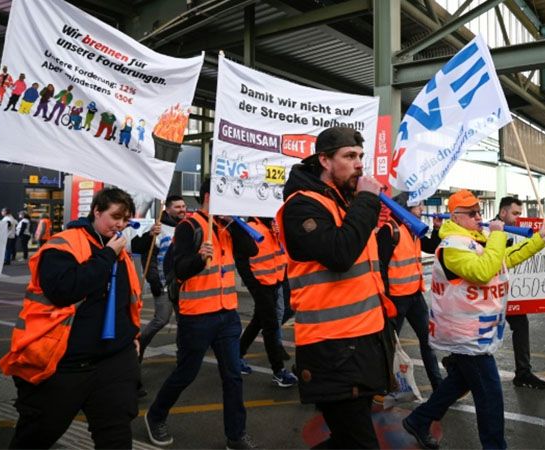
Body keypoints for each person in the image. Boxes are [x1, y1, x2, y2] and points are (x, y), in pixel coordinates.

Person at [402, 189, 545, 450]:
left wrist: (538, 241)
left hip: (476, 332)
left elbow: (502, 261)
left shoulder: (474, 239)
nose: (478, 217)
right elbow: (483, 272)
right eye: (471, 213)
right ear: (456, 216)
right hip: (465, 335)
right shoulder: (452, 245)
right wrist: (496, 235)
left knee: (459, 382)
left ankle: (419, 420)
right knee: (490, 396)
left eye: (478, 212)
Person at [0, 188, 143, 449]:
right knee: (36, 435)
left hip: (114, 362)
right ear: (97, 212)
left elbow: (126, 300)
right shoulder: (63, 244)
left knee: (116, 436)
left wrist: (133, 335)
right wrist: (107, 255)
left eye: (126, 219)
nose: (121, 224)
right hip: (65, 365)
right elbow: (64, 290)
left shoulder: (119, 249)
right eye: (115, 217)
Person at [277, 126, 393, 449]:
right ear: (325, 160)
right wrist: (367, 203)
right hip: (332, 350)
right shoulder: (302, 205)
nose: (358, 164)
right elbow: (339, 254)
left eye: (360, 156)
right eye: (349, 156)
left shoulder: (345, 201)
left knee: (348, 440)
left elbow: (362, 266)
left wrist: (382, 231)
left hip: (362, 343)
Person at [145, 178, 258, 449]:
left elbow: (252, 249)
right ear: (210, 195)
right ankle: (155, 415)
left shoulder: (227, 226)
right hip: (197, 316)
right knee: (186, 372)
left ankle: (236, 435)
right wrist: (199, 258)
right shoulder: (189, 227)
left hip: (227, 315)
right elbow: (179, 270)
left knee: (232, 376)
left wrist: (235, 222)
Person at [376, 192, 443, 391]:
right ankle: (381, 386)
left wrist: (437, 229)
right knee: (388, 346)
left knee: (428, 341)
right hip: (396, 299)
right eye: (418, 206)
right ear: (405, 209)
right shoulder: (390, 231)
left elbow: (431, 247)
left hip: (414, 296)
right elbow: (380, 267)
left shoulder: (414, 230)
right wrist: (385, 299)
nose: (422, 209)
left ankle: (438, 385)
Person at [495, 196, 545, 389]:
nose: (518, 217)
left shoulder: (519, 232)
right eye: (515, 213)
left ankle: (523, 372)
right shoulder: (489, 232)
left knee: (521, 325)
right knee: (483, 333)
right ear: (503, 212)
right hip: (491, 296)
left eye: (520, 213)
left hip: (512, 293)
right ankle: (455, 361)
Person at [236, 217, 297, 387]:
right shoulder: (250, 228)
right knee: (270, 326)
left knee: (258, 322)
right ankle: (278, 372)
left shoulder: (272, 225)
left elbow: (280, 254)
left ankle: (237, 355)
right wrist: (254, 285)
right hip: (261, 284)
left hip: (275, 282)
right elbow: (242, 261)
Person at [134, 195, 187, 359]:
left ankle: (182, 355)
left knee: (183, 322)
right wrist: (154, 281)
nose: (182, 210)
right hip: (163, 284)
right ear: (168, 208)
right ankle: (138, 348)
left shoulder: (185, 227)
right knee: (161, 320)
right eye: (178, 207)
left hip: (182, 285)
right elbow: (145, 255)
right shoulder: (157, 227)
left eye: (184, 206)